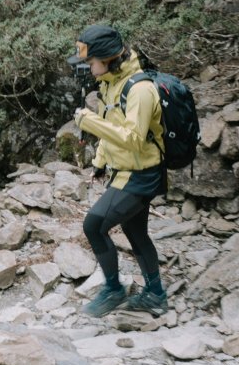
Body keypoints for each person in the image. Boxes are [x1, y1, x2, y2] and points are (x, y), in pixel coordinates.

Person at [67, 24, 168, 317]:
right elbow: (111, 125)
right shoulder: (111, 83)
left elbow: (134, 138)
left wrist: (87, 122)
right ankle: (156, 295)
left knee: (93, 226)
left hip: (142, 174)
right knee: (134, 231)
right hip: (126, 170)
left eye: (90, 61)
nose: (87, 66)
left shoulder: (140, 89)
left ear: (108, 59)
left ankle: (113, 290)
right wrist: (99, 161)